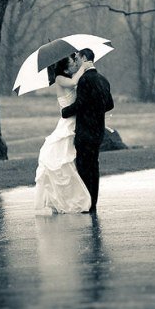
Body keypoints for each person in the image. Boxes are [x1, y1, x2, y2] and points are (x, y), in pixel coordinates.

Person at [34, 54, 93, 215]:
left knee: (72, 160)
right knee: (63, 161)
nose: (75, 64)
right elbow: (73, 83)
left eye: (76, 62)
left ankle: (73, 196)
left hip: (76, 120)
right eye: (72, 63)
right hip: (68, 123)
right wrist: (83, 67)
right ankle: (68, 199)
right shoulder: (60, 78)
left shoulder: (71, 76)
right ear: (65, 67)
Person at [61, 48, 114, 213]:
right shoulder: (103, 80)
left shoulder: (84, 80)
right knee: (94, 167)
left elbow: (81, 104)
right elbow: (110, 104)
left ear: (84, 58)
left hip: (85, 131)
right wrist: (96, 110)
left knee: (84, 167)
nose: (76, 61)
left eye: (78, 58)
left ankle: (86, 203)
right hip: (98, 131)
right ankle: (93, 202)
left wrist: (65, 111)